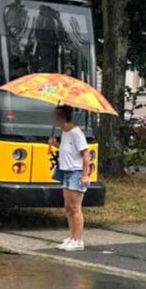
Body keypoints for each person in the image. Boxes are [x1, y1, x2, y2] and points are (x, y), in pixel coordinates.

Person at [48, 105, 93, 252]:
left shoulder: (76, 133)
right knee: (68, 207)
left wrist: (85, 175)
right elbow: (68, 150)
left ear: (63, 117)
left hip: (76, 172)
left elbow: (85, 154)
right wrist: (56, 145)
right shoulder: (64, 132)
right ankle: (71, 237)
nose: (53, 119)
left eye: (55, 116)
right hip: (66, 172)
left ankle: (78, 240)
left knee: (75, 207)